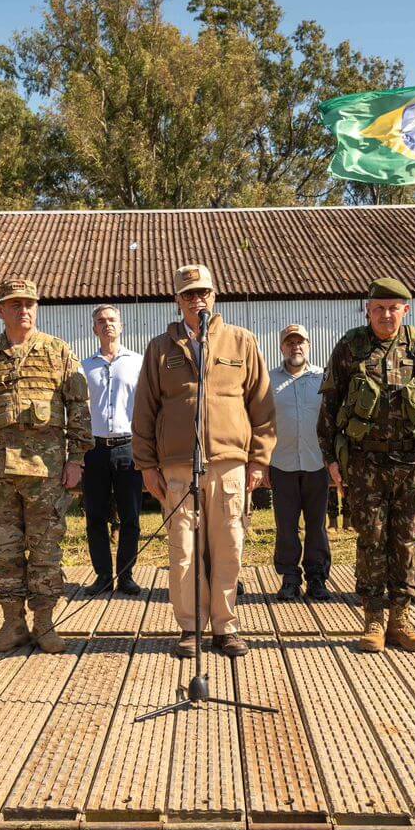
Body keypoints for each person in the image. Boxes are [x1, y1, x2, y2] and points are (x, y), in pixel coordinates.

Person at [134, 265, 274, 660]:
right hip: (178, 467)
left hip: (230, 463)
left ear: (215, 295)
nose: (197, 300)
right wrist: (147, 465)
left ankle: (225, 626)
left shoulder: (242, 342)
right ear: (177, 301)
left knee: (229, 544)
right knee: (183, 550)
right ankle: (191, 627)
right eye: (188, 294)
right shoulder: (161, 348)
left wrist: (259, 461)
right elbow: (144, 410)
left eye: (203, 293)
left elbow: (262, 407)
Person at [0, 278, 91, 655]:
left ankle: (45, 623)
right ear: (0, 311)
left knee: (46, 549)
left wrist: (76, 459)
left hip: (46, 472)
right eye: (14, 304)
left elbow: (79, 409)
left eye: (29, 304)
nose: (23, 310)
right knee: (5, 551)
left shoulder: (57, 351)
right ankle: (12, 624)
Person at [319, 277, 415, 654]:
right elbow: (329, 406)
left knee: (407, 538)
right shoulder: (351, 346)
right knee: (371, 538)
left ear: (406, 311)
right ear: (368, 311)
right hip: (365, 461)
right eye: (379, 309)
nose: (386, 315)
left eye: (394, 309)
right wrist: (331, 459)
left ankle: (400, 620)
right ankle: (374, 618)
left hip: (413, 461)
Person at [81, 305, 145, 596]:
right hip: (94, 450)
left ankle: (127, 575)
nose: (107, 325)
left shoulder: (138, 363)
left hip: (128, 448)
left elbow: (148, 408)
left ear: (121, 326)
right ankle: (103, 576)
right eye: (101, 321)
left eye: (112, 320)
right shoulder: (84, 367)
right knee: (95, 516)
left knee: (130, 516)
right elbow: (79, 410)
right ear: (94, 329)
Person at [268, 324, 331, 602]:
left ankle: (317, 578)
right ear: (282, 347)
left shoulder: (324, 378)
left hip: (317, 463)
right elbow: (259, 422)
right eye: (290, 342)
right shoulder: (268, 380)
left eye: (300, 342)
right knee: (285, 525)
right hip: (281, 464)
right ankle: (290, 578)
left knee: (317, 524)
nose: (296, 347)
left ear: (309, 345)